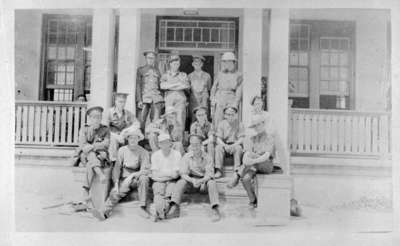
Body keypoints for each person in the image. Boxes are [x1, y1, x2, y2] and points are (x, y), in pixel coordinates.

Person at [90, 127, 151, 220]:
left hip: (136, 178)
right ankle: (104, 212)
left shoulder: (143, 152)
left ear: (139, 139)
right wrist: (116, 183)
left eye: (135, 138)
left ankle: (142, 207)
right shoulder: (122, 150)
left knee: (144, 178)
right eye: (130, 138)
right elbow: (117, 168)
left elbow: (145, 170)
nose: (133, 140)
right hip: (124, 179)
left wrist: (132, 176)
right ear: (128, 139)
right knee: (116, 191)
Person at [167, 134, 221, 222]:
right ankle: (175, 207)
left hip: (203, 183)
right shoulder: (186, 156)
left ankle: (215, 208)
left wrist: (201, 180)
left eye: (196, 144)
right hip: (191, 182)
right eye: (192, 144)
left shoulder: (208, 158)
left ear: (201, 145)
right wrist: (192, 180)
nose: (194, 147)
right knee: (181, 182)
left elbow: (209, 175)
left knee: (212, 182)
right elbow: (183, 173)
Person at [77, 106, 111, 205]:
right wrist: (94, 147)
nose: (97, 120)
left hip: (100, 157)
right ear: (90, 118)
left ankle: (86, 190)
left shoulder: (105, 129)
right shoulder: (84, 129)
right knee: (90, 154)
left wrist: (91, 146)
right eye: (94, 117)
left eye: (99, 117)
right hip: (85, 156)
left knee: (90, 163)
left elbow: (106, 144)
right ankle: (100, 174)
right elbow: (83, 146)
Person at [150, 133, 181, 222]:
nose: (164, 145)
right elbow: (154, 175)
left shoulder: (176, 154)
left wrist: (162, 174)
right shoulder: (155, 155)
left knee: (168, 195)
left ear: (170, 143)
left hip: (172, 181)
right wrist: (168, 174)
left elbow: (175, 175)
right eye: (162, 143)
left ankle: (158, 212)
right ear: (159, 144)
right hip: (159, 181)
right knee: (158, 194)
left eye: (166, 142)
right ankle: (161, 212)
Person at [210, 52, 243, 129]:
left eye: (229, 62)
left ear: (233, 62)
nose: (226, 64)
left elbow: (239, 90)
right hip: (220, 98)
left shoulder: (238, 75)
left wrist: (235, 104)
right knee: (218, 120)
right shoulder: (220, 74)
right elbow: (214, 87)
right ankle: (217, 138)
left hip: (231, 98)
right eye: (224, 62)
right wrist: (213, 98)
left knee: (230, 120)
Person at [105, 92, 140, 163]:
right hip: (112, 136)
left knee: (135, 134)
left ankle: (132, 161)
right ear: (115, 102)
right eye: (120, 102)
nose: (122, 104)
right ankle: (113, 161)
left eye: (124, 102)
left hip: (123, 136)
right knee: (113, 139)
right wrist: (116, 136)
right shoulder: (109, 112)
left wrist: (126, 131)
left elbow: (137, 124)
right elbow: (104, 128)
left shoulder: (127, 113)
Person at [160, 52, 190, 133]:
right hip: (169, 100)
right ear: (170, 64)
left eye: (177, 63)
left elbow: (185, 85)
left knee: (180, 119)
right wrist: (177, 84)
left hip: (180, 100)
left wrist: (170, 86)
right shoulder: (165, 75)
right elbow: (162, 86)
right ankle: (168, 140)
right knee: (169, 119)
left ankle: (179, 140)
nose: (176, 65)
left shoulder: (183, 75)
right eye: (174, 63)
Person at [136, 50, 164, 131]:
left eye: (152, 58)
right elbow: (138, 85)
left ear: (154, 59)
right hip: (145, 98)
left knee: (155, 121)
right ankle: (141, 140)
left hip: (156, 98)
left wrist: (161, 99)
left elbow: (160, 86)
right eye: (149, 58)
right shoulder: (141, 70)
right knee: (141, 119)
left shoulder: (157, 71)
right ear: (146, 59)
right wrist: (139, 100)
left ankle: (152, 139)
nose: (150, 60)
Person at [214, 105, 245, 178]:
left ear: (236, 115)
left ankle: (236, 171)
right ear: (224, 115)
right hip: (225, 145)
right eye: (228, 114)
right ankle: (219, 170)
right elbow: (218, 138)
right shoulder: (221, 124)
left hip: (235, 145)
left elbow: (241, 139)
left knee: (238, 148)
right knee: (218, 148)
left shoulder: (239, 124)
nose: (230, 116)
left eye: (232, 114)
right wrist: (225, 146)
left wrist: (233, 145)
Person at [188, 55, 212, 121]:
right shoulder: (189, 76)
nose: (197, 64)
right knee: (194, 118)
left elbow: (209, 88)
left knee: (204, 117)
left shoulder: (207, 75)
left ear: (202, 64)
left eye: (199, 63)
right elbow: (188, 90)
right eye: (195, 63)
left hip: (204, 99)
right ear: (192, 64)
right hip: (194, 100)